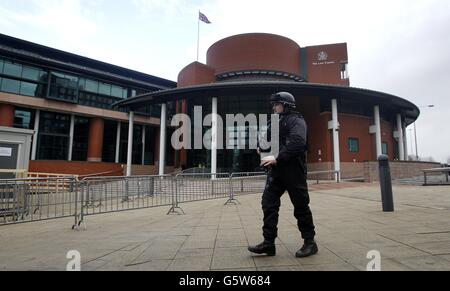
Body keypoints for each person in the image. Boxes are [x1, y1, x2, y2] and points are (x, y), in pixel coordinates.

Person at [248, 92, 318, 258]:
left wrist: (277, 157)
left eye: (277, 104)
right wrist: (261, 147)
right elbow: (266, 140)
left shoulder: (297, 120)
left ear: (287, 105)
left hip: (294, 171)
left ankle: (310, 242)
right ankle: (268, 243)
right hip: (276, 171)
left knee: (301, 206)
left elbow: (298, 143)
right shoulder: (275, 121)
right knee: (268, 203)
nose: (274, 107)